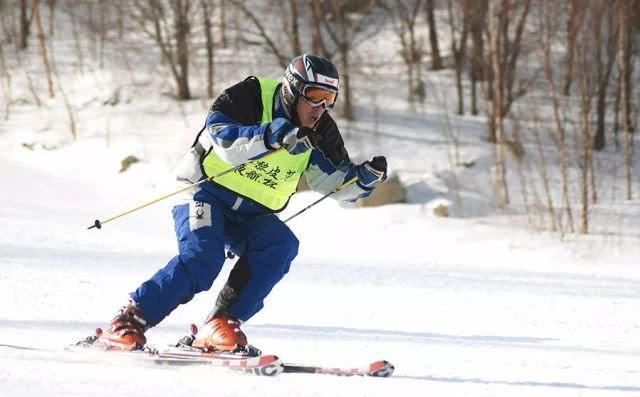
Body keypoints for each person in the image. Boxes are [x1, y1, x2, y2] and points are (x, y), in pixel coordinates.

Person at [95, 54, 388, 352]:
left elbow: (332, 182)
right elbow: (222, 139)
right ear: (291, 89)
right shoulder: (251, 95)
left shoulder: (322, 130)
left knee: (280, 245)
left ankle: (220, 324)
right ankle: (130, 320)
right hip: (204, 191)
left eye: (329, 98)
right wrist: (270, 136)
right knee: (203, 259)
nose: (321, 107)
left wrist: (361, 181)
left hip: (252, 211)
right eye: (314, 96)